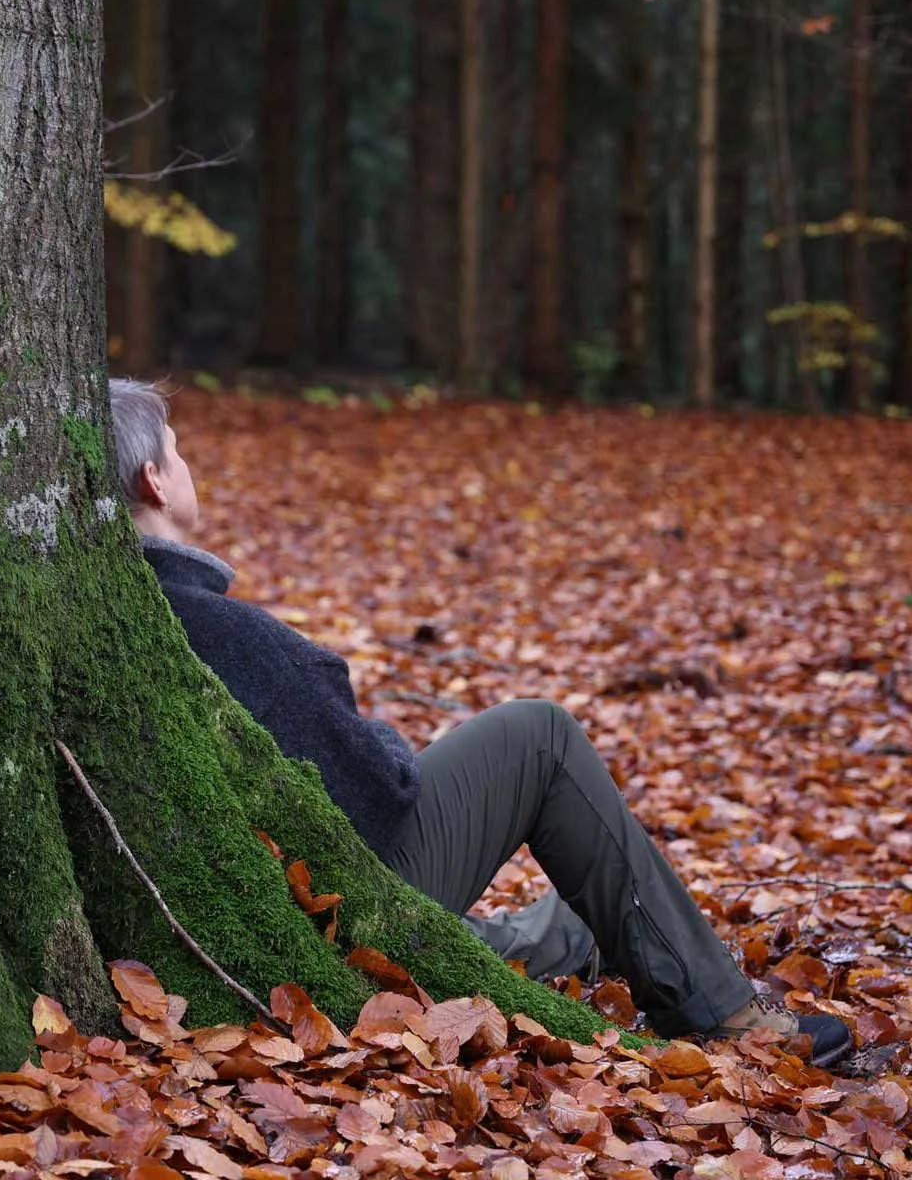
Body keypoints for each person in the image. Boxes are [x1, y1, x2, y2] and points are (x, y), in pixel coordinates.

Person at [107, 378, 853, 1068]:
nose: (187, 462)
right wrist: (390, 745)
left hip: (232, 919)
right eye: (178, 450)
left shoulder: (114, 623)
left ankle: (575, 935)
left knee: (534, 914)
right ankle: (719, 1013)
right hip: (321, 913)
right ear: (154, 480)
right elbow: (379, 796)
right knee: (539, 733)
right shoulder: (213, 627)